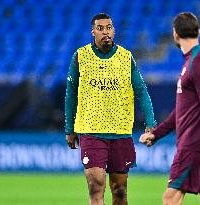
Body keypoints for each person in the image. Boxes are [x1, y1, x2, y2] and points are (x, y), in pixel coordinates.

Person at [65, 13, 156, 205]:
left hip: (120, 132)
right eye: (100, 28)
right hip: (91, 131)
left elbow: (141, 90)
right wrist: (69, 128)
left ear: (113, 31)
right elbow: (71, 94)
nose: (105, 32)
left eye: (109, 28)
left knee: (120, 190)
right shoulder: (80, 56)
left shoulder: (125, 57)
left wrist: (150, 122)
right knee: (96, 184)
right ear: (93, 32)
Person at [140, 12, 200, 205]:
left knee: (170, 198)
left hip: (194, 145)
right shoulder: (193, 62)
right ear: (199, 32)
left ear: (175, 34)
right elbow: (182, 111)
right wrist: (157, 134)